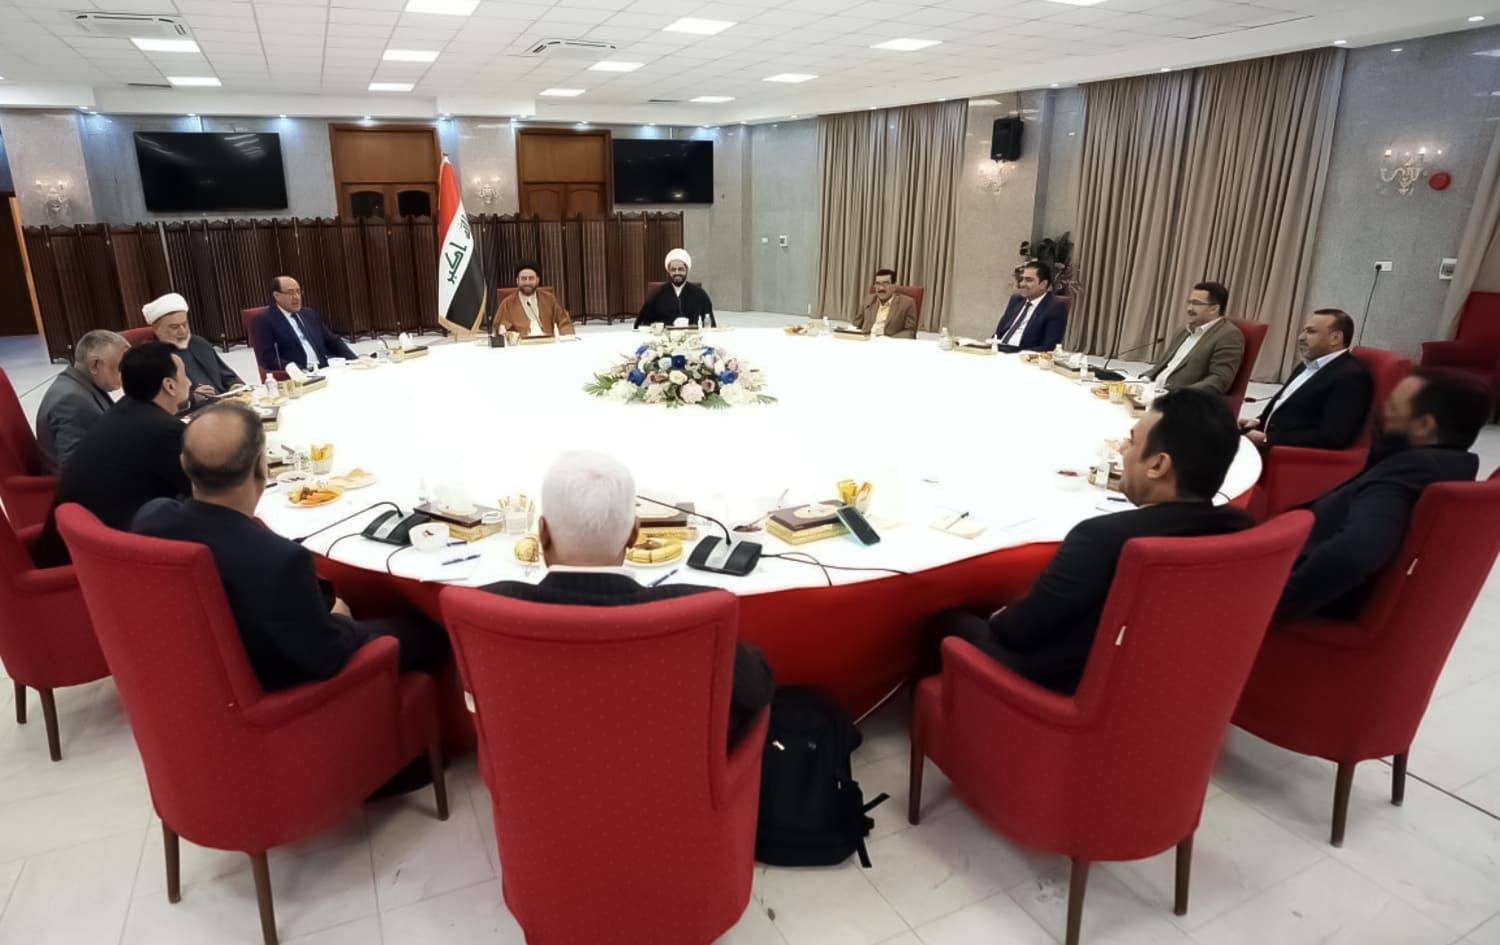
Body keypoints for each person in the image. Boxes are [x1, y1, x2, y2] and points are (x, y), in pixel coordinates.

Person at [923, 388, 1252, 694]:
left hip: (1066, 689)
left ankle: (951, 718)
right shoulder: (1239, 532)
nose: (1122, 451)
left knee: (950, 622)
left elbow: (1017, 631)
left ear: (1158, 464)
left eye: (1131, 442)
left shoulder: (1101, 539)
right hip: (1165, 686)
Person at [132, 402, 448, 691]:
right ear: (262, 468)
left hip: (190, 670)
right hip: (276, 688)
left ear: (184, 464)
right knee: (427, 631)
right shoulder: (279, 560)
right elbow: (326, 656)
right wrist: (342, 620)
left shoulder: (150, 519)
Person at [479, 450, 773, 747]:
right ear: (634, 533)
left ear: (541, 533)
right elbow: (757, 687)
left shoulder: (490, 608)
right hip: (661, 771)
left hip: (536, 771)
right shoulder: (694, 612)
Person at [1278, 368, 1491, 620]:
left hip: (1288, 593)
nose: (1380, 413)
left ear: (1424, 425)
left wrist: (1271, 602)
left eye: (1392, 408)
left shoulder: (1407, 474)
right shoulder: (1449, 465)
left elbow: (1356, 552)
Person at [32, 341, 192, 568]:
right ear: (170, 385)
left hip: (74, 544)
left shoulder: (125, 410)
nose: (190, 381)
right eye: (185, 375)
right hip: (94, 562)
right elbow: (204, 490)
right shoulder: (164, 430)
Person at [1241, 309, 1372, 450]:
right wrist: (1257, 421)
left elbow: (1333, 436)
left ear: (1335, 338)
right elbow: (1286, 407)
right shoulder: (1307, 364)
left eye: (1311, 332)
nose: (1300, 337)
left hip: (1288, 454)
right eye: (1303, 331)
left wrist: (1269, 438)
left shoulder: (1350, 377)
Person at [35, 329, 126, 472]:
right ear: (95, 365)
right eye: (121, 367)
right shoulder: (71, 401)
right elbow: (75, 470)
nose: (126, 374)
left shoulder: (81, 384)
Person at [1143, 282, 1245, 394]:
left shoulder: (1229, 335)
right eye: (1189, 302)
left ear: (1214, 309)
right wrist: (1145, 378)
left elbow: (1219, 380)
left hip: (1178, 398)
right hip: (1152, 390)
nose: (1189, 308)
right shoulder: (1184, 330)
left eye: (1196, 303)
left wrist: (1180, 395)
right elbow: (1164, 365)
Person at [143, 292, 243, 405]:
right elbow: (155, 401)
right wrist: (191, 398)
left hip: (223, 404)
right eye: (174, 327)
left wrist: (234, 386)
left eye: (185, 324)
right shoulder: (149, 357)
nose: (183, 331)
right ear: (157, 329)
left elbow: (227, 376)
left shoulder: (199, 343)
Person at [251, 275, 357, 373]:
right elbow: (267, 358)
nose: (296, 297)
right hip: (299, 374)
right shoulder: (265, 320)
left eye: (298, 292)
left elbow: (333, 341)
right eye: (290, 293)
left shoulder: (309, 314)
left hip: (325, 368)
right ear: (276, 295)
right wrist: (293, 368)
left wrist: (355, 360)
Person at [993, 260, 1067, 351]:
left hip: (1022, 354)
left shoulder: (1055, 307)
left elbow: (1049, 346)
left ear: (1043, 284)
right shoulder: (1016, 300)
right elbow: (998, 333)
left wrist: (1020, 354)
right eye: (1022, 279)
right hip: (998, 349)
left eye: (1029, 280)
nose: (1022, 284)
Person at [635, 249, 715, 329]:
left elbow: (709, 324)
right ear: (668, 271)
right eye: (673, 270)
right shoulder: (657, 294)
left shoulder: (699, 294)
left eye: (680, 269)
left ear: (687, 270)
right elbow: (642, 324)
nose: (677, 273)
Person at [494, 262, 575, 337]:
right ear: (517, 281)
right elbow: (499, 328)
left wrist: (566, 337)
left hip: (548, 343)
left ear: (537, 280)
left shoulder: (549, 299)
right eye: (523, 279)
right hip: (521, 345)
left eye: (531, 278)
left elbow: (565, 323)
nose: (527, 283)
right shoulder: (507, 304)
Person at [849, 268, 917, 338]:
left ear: (894, 286)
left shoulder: (907, 303)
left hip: (889, 342)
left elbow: (910, 332)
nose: (881, 288)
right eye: (877, 284)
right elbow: (856, 324)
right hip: (866, 340)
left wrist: (889, 340)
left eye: (885, 284)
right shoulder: (869, 300)